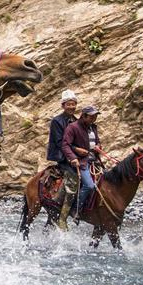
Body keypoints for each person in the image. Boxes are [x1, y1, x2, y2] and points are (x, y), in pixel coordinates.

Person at [62, 106, 102, 221]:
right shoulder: (73, 127)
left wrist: (98, 146)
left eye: (95, 116)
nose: (94, 119)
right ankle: (76, 208)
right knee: (89, 185)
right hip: (82, 162)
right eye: (91, 116)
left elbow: (97, 141)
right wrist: (73, 157)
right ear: (83, 116)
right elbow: (65, 145)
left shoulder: (93, 127)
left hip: (94, 160)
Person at [47, 89, 79, 229]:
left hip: (74, 155)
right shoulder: (57, 121)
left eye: (73, 104)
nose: (71, 106)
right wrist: (74, 154)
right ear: (63, 105)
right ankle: (63, 217)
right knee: (72, 180)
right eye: (68, 104)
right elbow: (60, 142)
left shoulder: (76, 120)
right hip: (62, 157)